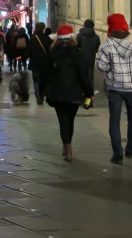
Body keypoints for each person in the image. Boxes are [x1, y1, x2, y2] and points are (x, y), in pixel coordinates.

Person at [97, 13, 132, 165]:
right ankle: (130, 148)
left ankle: (117, 154)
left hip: (115, 87)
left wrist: (110, 67)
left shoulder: (106, 44)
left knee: (114, 120)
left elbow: (102, 66)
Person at [45, 25, 93, 162]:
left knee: (63, 121)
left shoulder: (53, 53)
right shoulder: (78, 53)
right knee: (70, 121)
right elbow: (84, 75)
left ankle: (67, 148)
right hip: (74, 93)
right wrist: (89, 93)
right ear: (72, 37)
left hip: (58, 93)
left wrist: (44, 90)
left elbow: (46, 73)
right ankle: (68, 147)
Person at [29, 22, 53, 105]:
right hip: (45, 64)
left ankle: (37, 94)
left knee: (36, 81)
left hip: (35, 64)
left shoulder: (32, 39)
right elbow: (51, 52)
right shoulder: (47, 39)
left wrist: (23, 57)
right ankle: (42, 95)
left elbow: (29, 52)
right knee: (44, 81)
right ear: (43, 28)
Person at [76, 19, 101, 95]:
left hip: (80, 60)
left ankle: (80, 97)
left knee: (80, 78)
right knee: (90, 79)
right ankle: (89, 99)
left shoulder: (79, 35)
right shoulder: (96, 37)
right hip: (90, 60)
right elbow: (97, 49)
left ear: (84, 25)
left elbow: (76, 47)